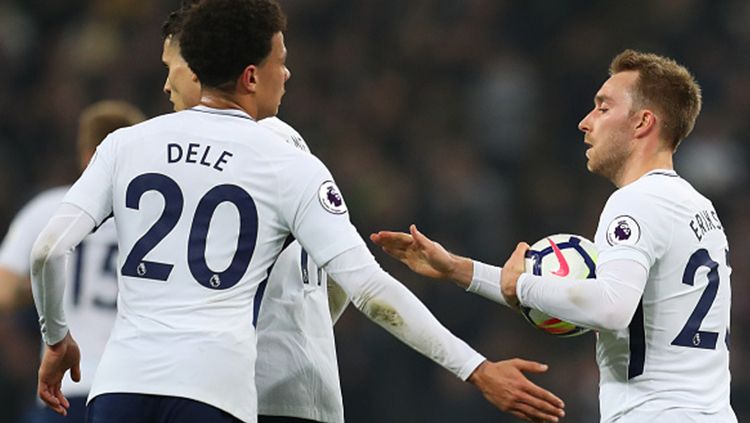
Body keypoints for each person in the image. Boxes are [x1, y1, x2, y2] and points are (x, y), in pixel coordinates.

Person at [29, 1, 565, 423]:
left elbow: (48, 249)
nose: (288, 74)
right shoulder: (287, 163)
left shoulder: (126, 144)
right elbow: (371, 292)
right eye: (280, 62)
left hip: (120, 387)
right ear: (251, 76)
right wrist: (475, 368)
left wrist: (56, 338)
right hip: (214, 390)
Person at [371, 49, 736, 422]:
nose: (585, 121)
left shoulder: (634, 201)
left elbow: (610, 306)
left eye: (603, 108)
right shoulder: (695, 206)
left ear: (643, 123)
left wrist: (523, 286)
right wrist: (458, 269)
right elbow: (573, 291)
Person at [161, 5, 349, 422]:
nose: (166, 83)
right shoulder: (290, 142)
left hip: (246, 390)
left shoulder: (219, 159)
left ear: (198, 70)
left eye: (171, 66)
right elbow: (340, 276)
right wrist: (308, 323)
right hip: (305, 381)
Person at [0, 100, 144, 422]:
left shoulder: (50, 208)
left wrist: (47, 285)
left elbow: (4, 293)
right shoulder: (157, 219)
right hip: (132, 389)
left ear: (84, 154)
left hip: (63, 389)